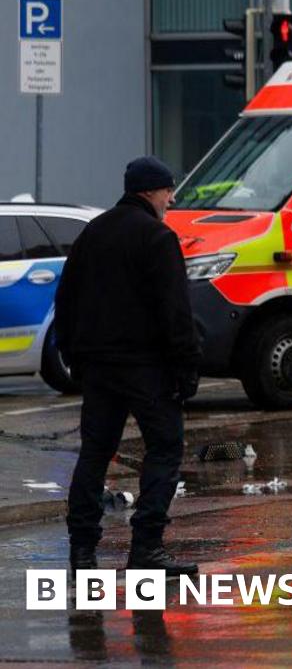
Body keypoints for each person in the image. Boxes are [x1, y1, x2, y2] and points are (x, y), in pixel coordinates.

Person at [56, 156, 202, 576]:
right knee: (165, 448)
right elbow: (175, 310)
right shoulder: (157, 237)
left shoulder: (92, 233)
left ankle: (82, 551)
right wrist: (187, 366)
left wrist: (71, 354)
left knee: (95, 454)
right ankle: (147, 549)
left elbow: (66, 299)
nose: (171, 199)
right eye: (168, 191)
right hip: (147, 369)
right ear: (151, 191)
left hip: (98, 367)